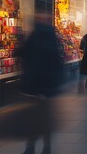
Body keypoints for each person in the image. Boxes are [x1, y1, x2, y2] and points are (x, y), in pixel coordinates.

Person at [18, 13, 65, 154]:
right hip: (48, 86)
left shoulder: (33, 37)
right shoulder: (52, 39)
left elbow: (21, 53)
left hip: (32, 85)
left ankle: (30, 146)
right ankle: (47, 147)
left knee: (32, 117)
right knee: (46, 119)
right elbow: (58, 62)